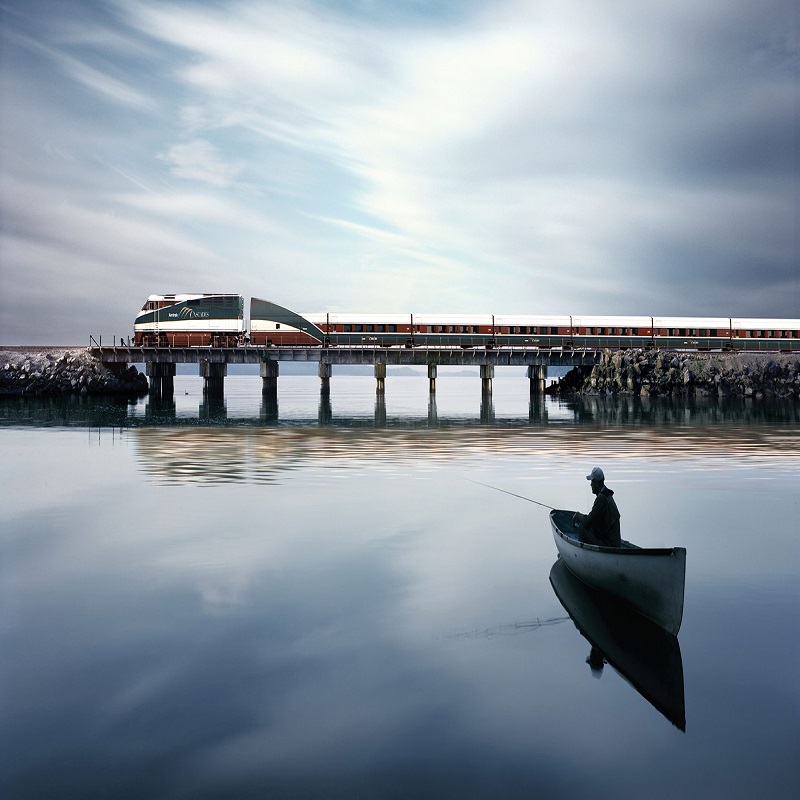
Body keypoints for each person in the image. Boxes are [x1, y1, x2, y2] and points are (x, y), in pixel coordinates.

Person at [573, 467, 621, 547]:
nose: (590, 484)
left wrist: (578, 516)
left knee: (582, 528)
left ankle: (580, 554)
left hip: (609, 546)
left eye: (592, 481)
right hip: (614, 543)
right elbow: (593, 519)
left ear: (596, 482)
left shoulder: (601, 498)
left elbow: (588, 522)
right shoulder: (607, 495)